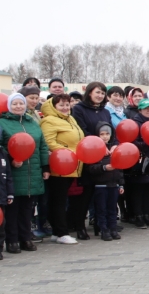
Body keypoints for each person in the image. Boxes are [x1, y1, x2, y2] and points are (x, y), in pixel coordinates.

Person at [1, 93, 49, 254]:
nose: (18, 106)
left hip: (32, 172)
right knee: (13, 209)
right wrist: (11, 159)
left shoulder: (33, 123)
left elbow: (42, 146)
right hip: (13, 172)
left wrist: (45, 167)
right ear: (9, 106)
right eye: (14, 104)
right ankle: (12, 240)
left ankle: (25, 238)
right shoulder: (3, 123)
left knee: (28, 209)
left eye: (20, 103)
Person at [70, 81, 115, 239]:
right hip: (88, 154)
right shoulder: (79, 109)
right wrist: (98, 145)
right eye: (97, 92)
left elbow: (111, 130)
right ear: (89, 92)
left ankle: (101, 225)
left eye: (102, 93)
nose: (100, 95)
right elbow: (83, 130)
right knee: (86, 193)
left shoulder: (105, 111)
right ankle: (80, 226)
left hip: (104, 157)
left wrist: (113, 145)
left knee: (103, 194)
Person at [39, 94, 83, 244]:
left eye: (67, 104)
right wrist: (68, 153)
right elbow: (49, 142)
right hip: (60, 165)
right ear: (53, 107)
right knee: (58, 200)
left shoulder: (70, 119)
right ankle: (61, 232)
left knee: (61, 199)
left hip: (72, 164)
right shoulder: (49, 121)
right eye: (61, 105)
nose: (65, 108)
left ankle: (57, 231)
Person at [85, 122, 123, 241]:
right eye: (102, 134)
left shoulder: (114, 149)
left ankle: (113, 228)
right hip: (100, 185)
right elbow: (90, 168)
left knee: (113, 208)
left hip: (113, 184)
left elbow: (120, 168)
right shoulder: (94, 150)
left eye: (107, 134)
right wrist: (103, 168)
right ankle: (103, 229)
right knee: (101, 209)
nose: (105, 136)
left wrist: (121, 183)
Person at [127, 99, 149, 229]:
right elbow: (132, 141)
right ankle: (138, 216)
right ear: (140, 110)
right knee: (138, 190)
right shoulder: (135, 123)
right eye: (146, 108)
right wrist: (148, 144)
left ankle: (147, 214)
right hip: (140, 161)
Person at [0, 136, 13, 259]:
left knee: (1, 225)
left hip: (2, 196)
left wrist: (10, 193)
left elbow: (8, 176)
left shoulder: (2, 153)